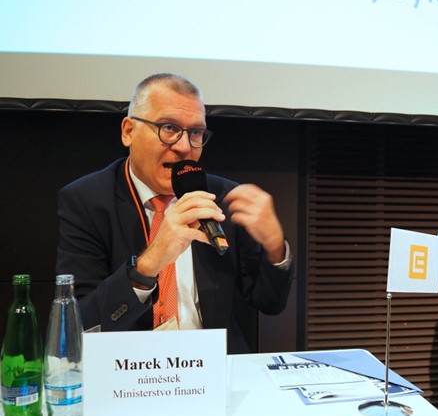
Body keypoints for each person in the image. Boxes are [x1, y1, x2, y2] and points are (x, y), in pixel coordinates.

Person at [56, 73, 293, 353]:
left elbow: (269, 302)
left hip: (211, 362)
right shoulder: (87, 200)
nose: (184, 147)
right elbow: (80, 323)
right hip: (128, 362)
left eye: (196, 133)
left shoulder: (223, 198)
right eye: (168, 128)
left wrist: (274, 246)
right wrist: (151, 260)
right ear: (129, 131)